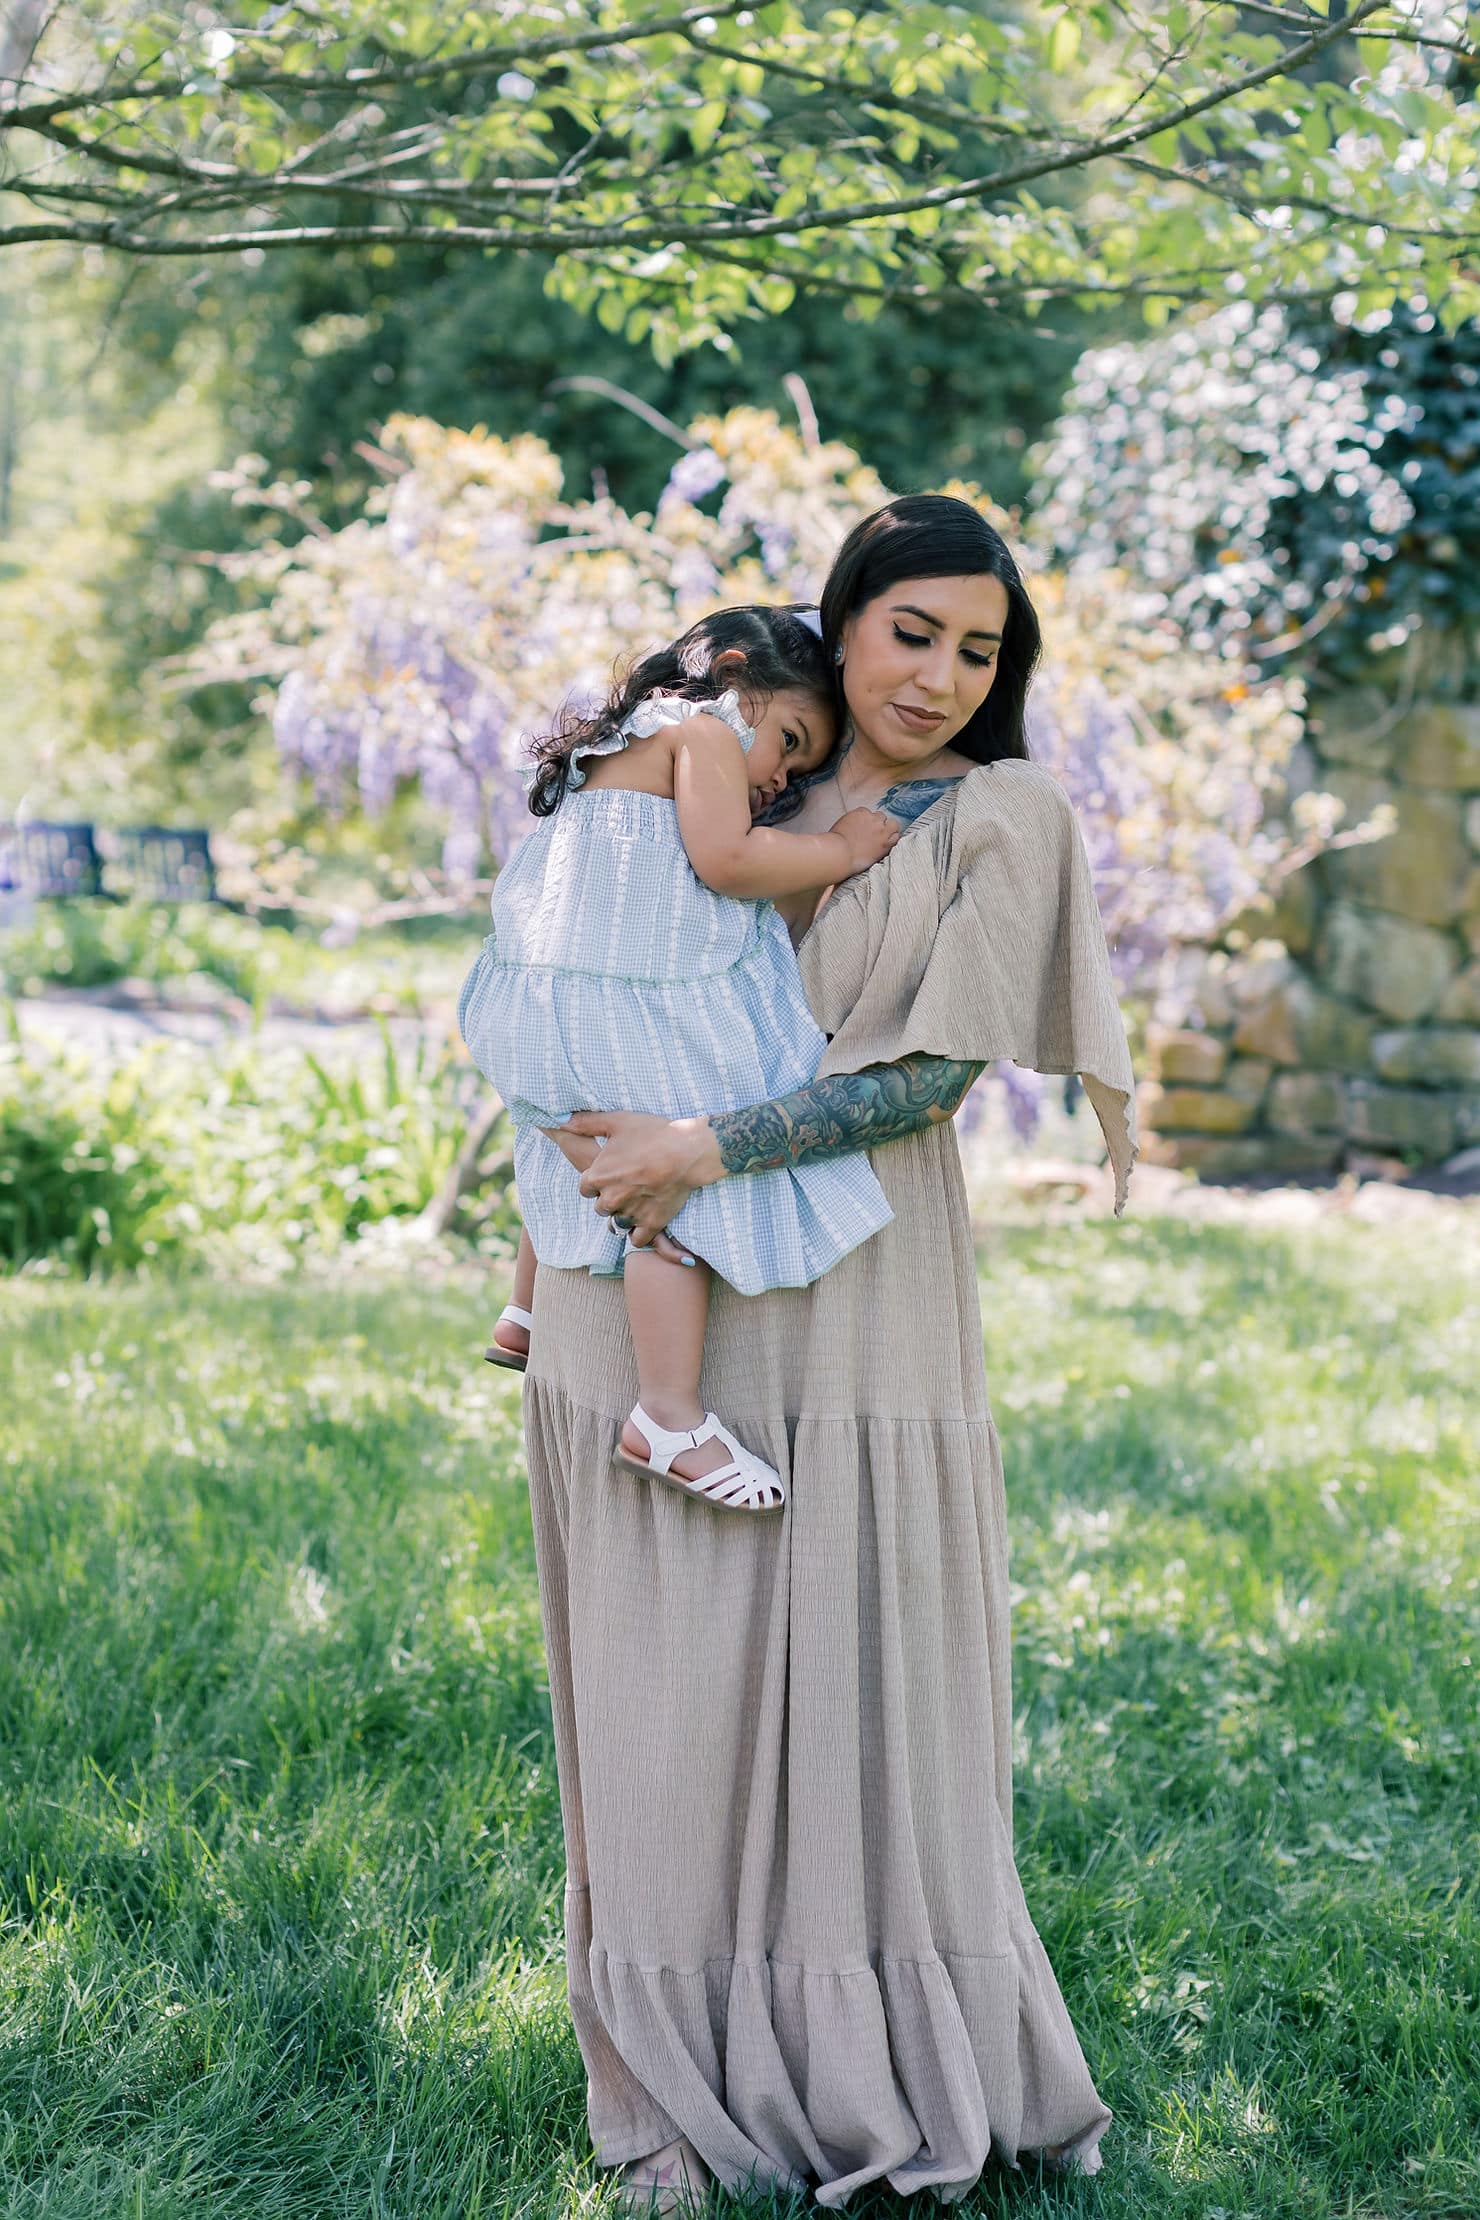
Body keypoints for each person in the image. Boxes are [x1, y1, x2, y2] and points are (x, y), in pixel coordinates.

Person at [517, 495, 1138, 2211]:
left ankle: (875, 2061)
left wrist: (694, 1152)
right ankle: (665, 2078)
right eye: (913, 633)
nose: (940, 677)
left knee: (864, 1673)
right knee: (668, 1686)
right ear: (845, 621)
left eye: (980, 650)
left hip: (852, 1275)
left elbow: (927, 1085)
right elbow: (575, 957)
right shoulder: (737, 766)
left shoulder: (1002, 815)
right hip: (635, 1268)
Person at [457, 604, 901, 1515]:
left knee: (579, 1137)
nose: (778, 775)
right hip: (613, 1003)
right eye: (787, 740)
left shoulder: (609, 748)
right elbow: (727, 861)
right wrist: (837, 849)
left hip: (532, 1002)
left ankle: (526, 1309)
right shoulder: (697, 729)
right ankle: (668, 1416)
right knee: (666, 1205)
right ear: (734, 675)